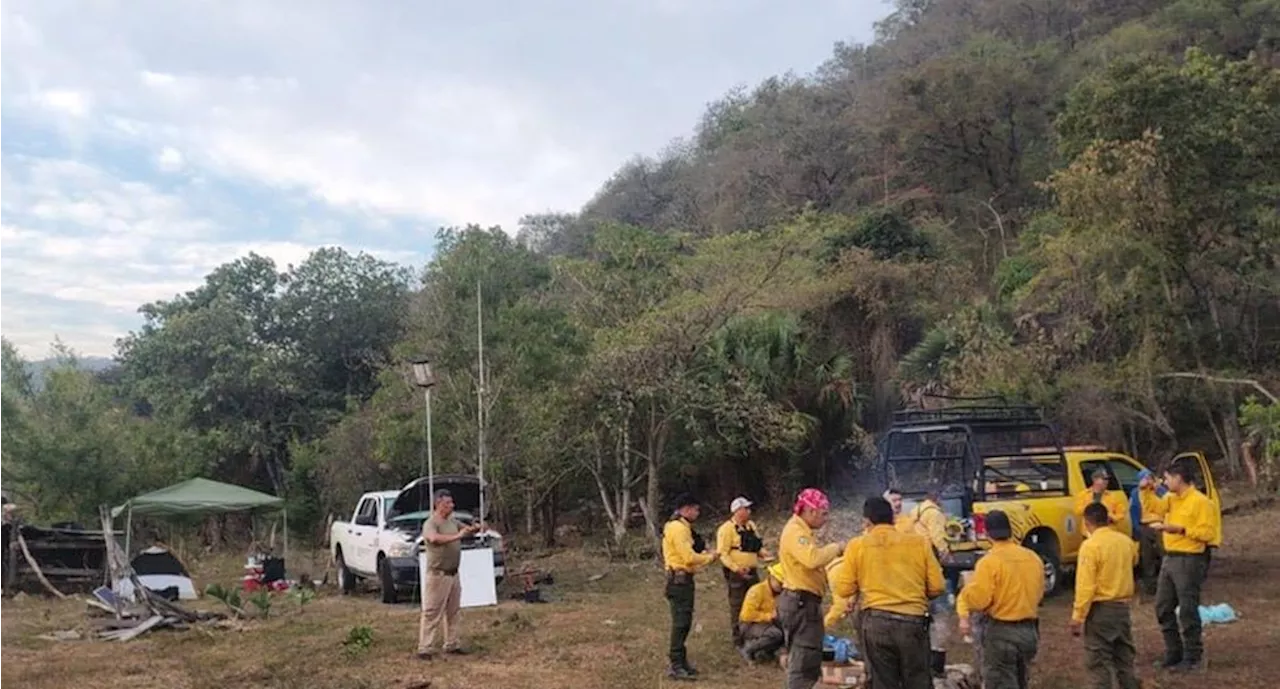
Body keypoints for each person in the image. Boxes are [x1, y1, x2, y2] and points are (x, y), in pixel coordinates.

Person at [834, 496, 943, 689]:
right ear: (892, 517)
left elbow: (844, 588)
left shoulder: (857, 545)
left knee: (883, 682)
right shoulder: (918, 543)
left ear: (867, 520)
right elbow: (937, 587)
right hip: (913, 624)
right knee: (918, 681)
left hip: (876, 624)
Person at [956, 511, 1044, 689]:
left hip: (1002, 633)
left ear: (987, 533)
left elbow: (980, 600)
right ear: (1010, 531)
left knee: (1001, 681)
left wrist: (965, 595)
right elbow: (1039, 593)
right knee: (1021, 679)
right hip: (1029, 632)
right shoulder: (1033, 558)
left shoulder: (989, 562)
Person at [1151, 459, 1216, 672]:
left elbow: (1208, 533)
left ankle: (1193, 656)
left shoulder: (1201, 502)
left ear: (1178, 478)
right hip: (1170, 557)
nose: (1165, 482)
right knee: (1162, 606)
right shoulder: (1170, 498)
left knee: (1188, 608)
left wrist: (1181, 529)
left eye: (1168, 478)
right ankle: (1173, 651)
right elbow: (1153, 508)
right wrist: (1148, 490)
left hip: (1190, 558)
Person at [777, 488, 844, 689]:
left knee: (807, 655)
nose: (826, 519)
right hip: (801, 603)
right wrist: (837, 548)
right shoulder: (796, 531)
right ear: (810, 511)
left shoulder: (802, 530)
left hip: (803, 601)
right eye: (823, 513)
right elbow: (812, 559)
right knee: (804, 661)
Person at [1071, 502, 1140, 689]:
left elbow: (1086, 586)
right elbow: (1134, 561)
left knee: (1098, 661)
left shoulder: (1090, 546)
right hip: (1122, 608)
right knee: (1124, 658)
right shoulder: (1125, 541)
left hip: (1101, 609)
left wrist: (1078, 617)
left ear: (1087, 523)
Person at [417, 489, 481, 660]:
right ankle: (425, 647)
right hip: (438, 574)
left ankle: (452, 643)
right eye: (447, 503)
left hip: (453, 574)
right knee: (432, 611)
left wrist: (475, 529)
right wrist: (457, 536)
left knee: (453, 611)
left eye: (452, 503)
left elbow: (465, 530)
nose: (451, 506)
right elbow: (433, 538)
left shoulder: (452, 521)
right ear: (438, 503)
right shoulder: (431, 523)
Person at [662, 493, 718, 681]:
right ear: (685, 509)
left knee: (684, 622)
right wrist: (710, 557)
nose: (697, 512)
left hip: (684, 579)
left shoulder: (683, 527)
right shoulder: (678, 529)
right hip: (679, 580)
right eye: (695, 508)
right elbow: (688, 557)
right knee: (680, 623)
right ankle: (676, 664)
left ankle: (681, 660)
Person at [897, 489, 953, 676]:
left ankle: (918, 661)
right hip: (930, 563)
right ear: (937, 499)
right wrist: (946, 554)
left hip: (914, 566)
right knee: (941, 614)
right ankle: (937, 664)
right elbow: (938, 538)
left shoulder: (916, 511)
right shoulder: (935, 513)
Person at [716, 496, 769, 649]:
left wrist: (764, 554)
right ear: (737, 511)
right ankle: (738, 638)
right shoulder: (726, 529)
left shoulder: (751, 525)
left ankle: (754, 633)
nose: (749, 511)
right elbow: (723, 554)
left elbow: (756, 546)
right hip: (736, 573)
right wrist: (736, 568)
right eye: (745, 509)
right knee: (737, 604)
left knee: (756, 601)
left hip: (753, 570)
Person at [1128, 469, 1167, 594]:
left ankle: (1166, 583)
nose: (1148, 481)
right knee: (1147, 556)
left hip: (1161, 525)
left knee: (1164, 554)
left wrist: (1158, 488)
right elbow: (1133, 511)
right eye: (1145, 478)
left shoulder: (1160, 491)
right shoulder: (1135, 493)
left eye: (1150, 478)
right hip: (1145, 526)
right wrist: (1137, 529)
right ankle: (1150, 586)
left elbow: (1168, 501)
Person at [739, 563, 787, 664]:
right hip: (749, 625)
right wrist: (769, 616)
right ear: (772, 578)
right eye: (780, 583)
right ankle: (748, 649)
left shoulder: (779, 594)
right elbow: (747, 615)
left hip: (765, 623)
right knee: (775, 634)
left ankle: (767, 651)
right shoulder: (757, 591)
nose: (782, 587)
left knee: (787, 628)